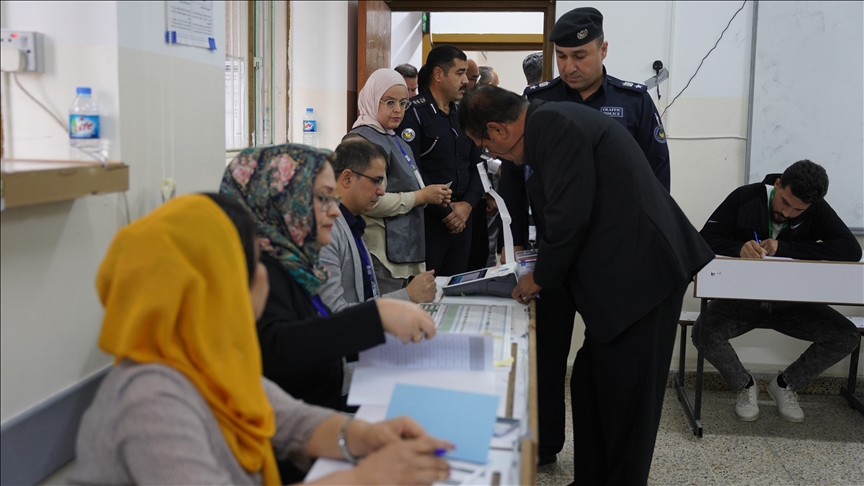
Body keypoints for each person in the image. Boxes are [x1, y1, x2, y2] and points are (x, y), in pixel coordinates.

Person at [69, 194, 452, 486]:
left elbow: (289, 422)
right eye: (253, 265)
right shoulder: (149, 399)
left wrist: (364, 435)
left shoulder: (207, 359)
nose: (265, 277)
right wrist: (363, 477)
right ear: (210, 288)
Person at [459, 85, 714, 485]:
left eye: (487, 146)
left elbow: (569, 216)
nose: (496, 157)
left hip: (644, 278)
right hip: (622, 278)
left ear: (498, 129)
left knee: (628, 399)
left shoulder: (554, 125)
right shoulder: (548, 122)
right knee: (591, 382)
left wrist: (538, 279)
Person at [498, 6, 672, 466]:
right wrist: (517, 244)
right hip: (552, 251)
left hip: (612, 262)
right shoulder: (536, 100)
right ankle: (545, 445)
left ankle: (602, 459)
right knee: (548, 352)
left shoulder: (633, 102)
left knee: (607, 360)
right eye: (562, 57)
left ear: (603, 49)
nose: (570, 67)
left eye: (580, 55)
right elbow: (514, 181)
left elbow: (655, 182)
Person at [694, 160, 862, 423]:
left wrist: (784, 248)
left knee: (846, 336)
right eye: (785, 202)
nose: (788, 213)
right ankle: (744, 385)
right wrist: (739, 248)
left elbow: (851, 250)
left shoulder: (815, 208)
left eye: (799, 209)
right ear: (778, 184)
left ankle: (785, 385)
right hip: (742, 299)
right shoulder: (745, 197)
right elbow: (704, 238)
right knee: (704, 333)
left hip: (792, 303)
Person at [343, 68, 452, 295]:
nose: (398, 110)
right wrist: (420, 197)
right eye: (390, 102)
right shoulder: (362, 139)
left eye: (404, 103)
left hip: (404, 247)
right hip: (380, 251)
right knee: (386, 316)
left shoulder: (391, 135)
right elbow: (367, 201)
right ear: (373, 99)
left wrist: (431, 194)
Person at [319, 138, 438, 312]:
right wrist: (407, 296)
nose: (382, 191)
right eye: (376, 181)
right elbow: (332, 314)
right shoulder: (325, 232)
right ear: (347, 178)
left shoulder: (351, 223)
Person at [397, 45, 484, 276]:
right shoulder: (413, 114)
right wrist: (446, 212)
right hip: (429, 221)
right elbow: (410, 169)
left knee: (458, 287)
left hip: (463, 220)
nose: (466, 80)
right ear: (438, 74)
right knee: (429, 293)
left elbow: (478, 165)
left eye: (466, 73)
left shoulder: (465, 112)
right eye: (459, 73)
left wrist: (467, 205)